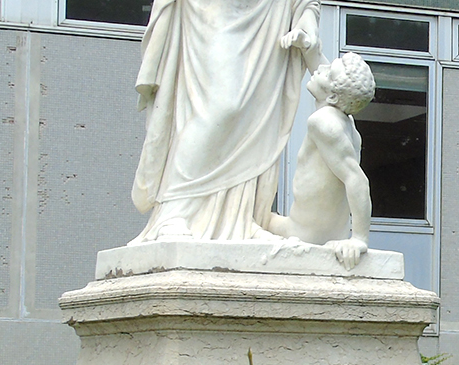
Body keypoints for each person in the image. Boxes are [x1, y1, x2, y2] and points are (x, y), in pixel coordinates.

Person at [131, 0, 323, 242]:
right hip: (214, 7)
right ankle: (174, 210)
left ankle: (240, 220)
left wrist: (306, 17)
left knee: (255, 111)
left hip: (272, 9)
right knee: (221, 107)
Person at [260, 53, 375, 268]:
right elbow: (332, 78)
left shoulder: (323, 122)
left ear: (332, 96)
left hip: (303, 232)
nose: (320, 68)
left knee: (241, 216)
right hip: (321, 230)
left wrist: (359, 239)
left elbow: (357, 180)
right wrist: (307, 47)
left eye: (328, 72)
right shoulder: (345, 119)